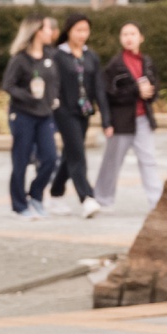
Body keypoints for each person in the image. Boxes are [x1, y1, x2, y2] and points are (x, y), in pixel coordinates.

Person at [95, 22, 162, 209]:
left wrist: (150, 92)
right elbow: (109, 94)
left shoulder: (146, 62)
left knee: (148, 160)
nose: (128, 38)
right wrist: (135, 91)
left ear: (141, 38)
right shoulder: (114, 65)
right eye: (124, 34)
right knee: (112, 162)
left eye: (133, 34)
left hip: (143, 120)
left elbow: (155, 88)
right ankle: (102, 198)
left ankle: (156, 200)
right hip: (121, 122)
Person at [47, 15, 109, 217]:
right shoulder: (57, 55)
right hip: (64, 111)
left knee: (70, 153)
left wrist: (106, 118)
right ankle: (87, 198)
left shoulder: (91, 56)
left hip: (84, 112)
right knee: (78, 154)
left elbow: (99, 87)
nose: (83, 35)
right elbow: (52, 83)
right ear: (68, 31)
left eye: (86, 30)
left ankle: (56, 193)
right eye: (78, 30)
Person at [2, 16, 59, 219]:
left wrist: (53, 99)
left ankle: (36, 194)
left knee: (51, 158)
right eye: (46, 28)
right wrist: (29, 97)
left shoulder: (50, 55)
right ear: (36, 32)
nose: (50, 31)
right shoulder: (20, 59)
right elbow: (8, 85)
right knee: (21, 160)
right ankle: (19, 205)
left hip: (45, 115)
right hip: (23, 115)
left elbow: (54, 81)